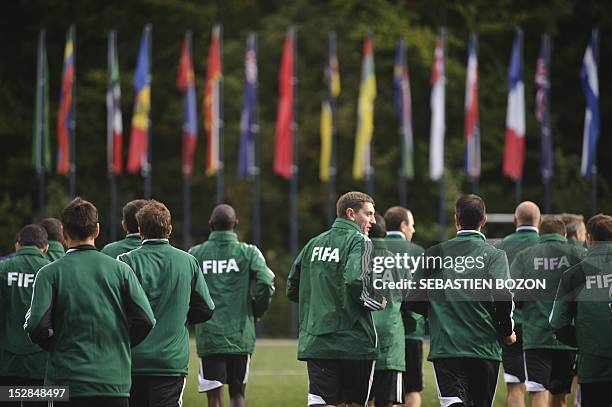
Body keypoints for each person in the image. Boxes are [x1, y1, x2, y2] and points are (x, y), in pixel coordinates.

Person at [24, 197, 155, 407]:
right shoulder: (121, 271)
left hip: (65, 382)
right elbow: (146, 319)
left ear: (64, 233)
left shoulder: (49, 274)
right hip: (113, 381)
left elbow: (37, 326)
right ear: (97, 231)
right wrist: (121, 342)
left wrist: (56, 345)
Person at [406, 194, 516, 407]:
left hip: (447, 347)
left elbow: (412, 300)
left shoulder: (434, 253)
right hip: (484, 348)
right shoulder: (494, 255)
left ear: (456, 219)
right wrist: (506, 332)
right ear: (484, 221)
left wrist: (438, 310)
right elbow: (504, 296)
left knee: (453, 403)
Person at [287, 191, 386, 407]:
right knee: (354, 403)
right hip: (354, 342)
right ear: (351, 214)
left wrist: (317, 306)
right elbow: (354, 281)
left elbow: (291, 287)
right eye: (368, 214)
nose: (373, 220)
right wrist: (375, 300)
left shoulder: (313, 243)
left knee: (321, 402)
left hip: (317, 340)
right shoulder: (362, 241)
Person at [118, 200, 215, 407]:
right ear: (169, 229)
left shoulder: (124, 261)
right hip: (170, 361)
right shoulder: (187, 261)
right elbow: (207, 308)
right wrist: (181, 316)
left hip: (133, 360)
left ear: (140, 231)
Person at [189, 204, 275, 407]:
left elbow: (184, 289)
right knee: (237, 395)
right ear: (235, 225)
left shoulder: (195, 253)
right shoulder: (249, 252)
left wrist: (192, 316)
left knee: (214, 398)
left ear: (211, 225)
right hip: (240, 334)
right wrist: (256, 310)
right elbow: (266, 281)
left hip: (209, 335)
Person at [509, 216, 584, 407]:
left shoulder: (525, 255)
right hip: (567, 337)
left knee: (537, 393)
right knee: (560, 396)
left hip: (536, 335)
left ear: (540, 234)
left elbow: (513, 295)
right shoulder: (578, 254)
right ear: (564, 234)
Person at [550, 214, 612, 407]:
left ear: (589, 239)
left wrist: (583, 340)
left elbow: (557, 323)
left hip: (593, 366)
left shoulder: (575, 274)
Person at [495, 201, 541, 407]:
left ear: (515, 220)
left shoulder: (502, 245)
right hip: (539, 323)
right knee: (539, 389)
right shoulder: (545, 244)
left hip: (511, 321)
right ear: (539, 221)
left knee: (515, 386)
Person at [0, 224, 50, 407]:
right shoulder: (52, 270)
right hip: (40, 363)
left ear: (17, 245)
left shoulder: (3, 269)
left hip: (5, 362)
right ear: (45, 248)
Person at [383, 206, 425, 407]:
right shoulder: (418, 252)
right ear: (403, 225)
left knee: (378, 394)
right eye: (412, 225)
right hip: (411, 332)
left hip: (379, 329)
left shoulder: (373, 249)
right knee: (412, 390)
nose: (414, 230)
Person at [368, 213, 404, 407]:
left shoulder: (356, 257)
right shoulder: (397, 261)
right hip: (391, 343)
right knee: (387, 402)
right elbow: (410, 301)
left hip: (360, 339)